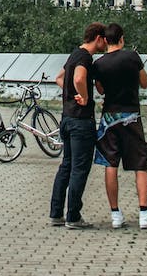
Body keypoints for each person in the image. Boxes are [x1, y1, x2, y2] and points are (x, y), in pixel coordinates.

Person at [92, 23, 147, 229]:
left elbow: (100, 89)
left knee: (110, 164)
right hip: (131, 115)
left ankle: (115, 215)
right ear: (121, 38)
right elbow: (145, 82)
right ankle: (144, 214)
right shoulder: (132, 57)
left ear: (105, 41)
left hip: (109, 118)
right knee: (140, 164)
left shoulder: (99, 64)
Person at [49, 22, 108, 230]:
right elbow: (79, 77)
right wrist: (82, 96)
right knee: (79, 169)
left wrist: (69, 94)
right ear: (98, 38)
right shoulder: (85, 58)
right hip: (81, 121)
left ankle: (56, 213)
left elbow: (59, 78)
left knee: (66, 165)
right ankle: (73, 216)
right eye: (104, 40)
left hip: (66, 118)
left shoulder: (74, 54)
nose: (105, 44)